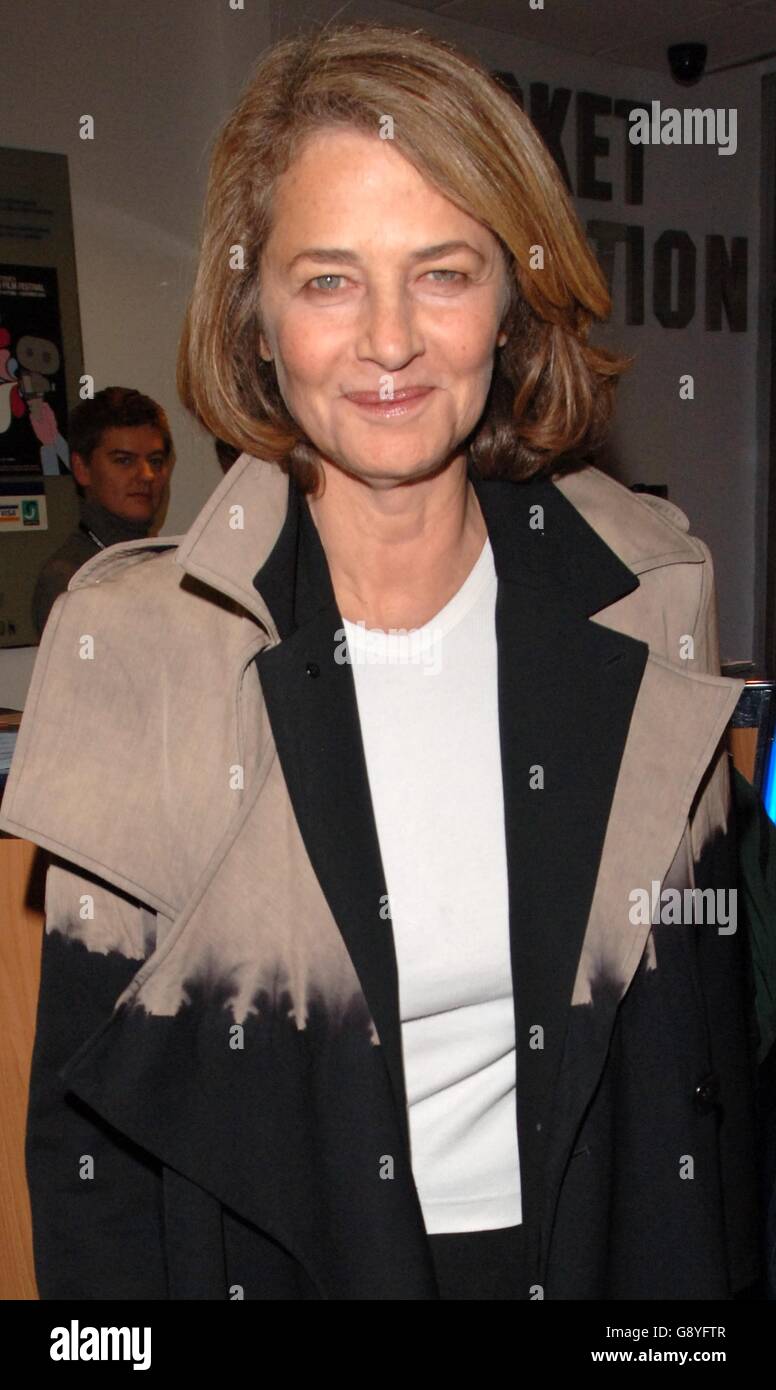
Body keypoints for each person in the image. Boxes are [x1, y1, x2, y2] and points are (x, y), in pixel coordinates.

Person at [0, 22, 761, 1300]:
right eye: (328, 279)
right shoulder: (142, 652)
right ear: (253, 314)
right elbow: (88, 1152)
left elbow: (708, 1063)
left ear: (513, 304)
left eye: (444, 272)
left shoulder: (649, 593)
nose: (391, 342)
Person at [31, 387, 174, 636]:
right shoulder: (69, 580)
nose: (147, 475)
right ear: (82, 469)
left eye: (156, 461)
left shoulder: (174, 568)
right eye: (124, 460)